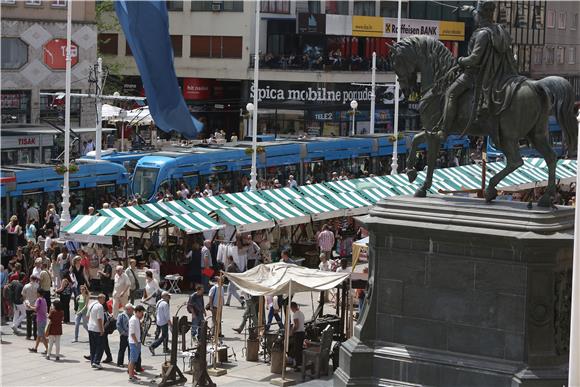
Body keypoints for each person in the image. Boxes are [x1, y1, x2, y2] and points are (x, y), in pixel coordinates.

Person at [439, 1, 519, 140]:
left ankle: (445, 130)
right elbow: (476, 13)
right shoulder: (498, 30)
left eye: (477, 14)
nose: (475, 17)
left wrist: (460, 60)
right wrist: (469, 9)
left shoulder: (482, 34)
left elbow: (475, 58)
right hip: (494, 73)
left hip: (475, 75)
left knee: (450, 93)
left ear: (482, 16)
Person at [87, 294, 106, 369]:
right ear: (100, 298)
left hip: (90, 327)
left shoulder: (91, 304)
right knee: (100, 346)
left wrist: (90, 323)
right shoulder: (100, 306)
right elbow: (99, 319)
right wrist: (101, 330)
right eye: (104, 299)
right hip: (97, 329)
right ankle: (96, 361)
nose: (104, 301)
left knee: (93, 346)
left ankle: (93, 361)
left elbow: (87, 316)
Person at [149, 291, 171, 355]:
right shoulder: (165, 304)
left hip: (159, 320)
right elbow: (167, 316)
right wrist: (170, 323)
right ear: (164, 296)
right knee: (164, 335)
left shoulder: (159, 302)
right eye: (168, 296)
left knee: (165, 335)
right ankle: (153, 346)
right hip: (163, 321)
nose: (169, 297)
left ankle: (165, 348)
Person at [28, 288, 48, 354]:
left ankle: (48, 349)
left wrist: (29, 306)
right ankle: (35, 348)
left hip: (40, 320)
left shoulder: (38, 300)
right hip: (43, 319)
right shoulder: (44, 300)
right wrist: (36, 313)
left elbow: (36, 309)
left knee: (42, 335)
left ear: (38, 293)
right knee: (39, 335)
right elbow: (41, 309)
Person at [128, 305, 145, 381]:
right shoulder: (133, 320)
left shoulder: (137, 319)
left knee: (133, 360)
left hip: (136, 342)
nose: (142, 314)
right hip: (134, 343)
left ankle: (132, 374)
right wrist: (136, 342)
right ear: (137, 312)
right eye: (141, 313)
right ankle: (131, 376)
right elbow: (132, 333)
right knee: (132, 360)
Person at [289, 302, 305, 370]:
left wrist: (291, 332)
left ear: (293, 307)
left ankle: (298, 365)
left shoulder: (295, 314)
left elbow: (296, 325)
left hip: (298, 333)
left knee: (297, 350)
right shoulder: (301, 313)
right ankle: (299, 363)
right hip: (302, 332)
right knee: (299, 349)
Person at [22, 275, 39, 340]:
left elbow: (23, 295)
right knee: (35, 322)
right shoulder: (37, 286)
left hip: (28, 305)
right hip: (35, 305)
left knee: (28, 321)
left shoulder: (26, 286)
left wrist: (26, 301)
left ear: (30, 279)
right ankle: (35, 336)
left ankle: (28, 335)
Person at [117, 303, 133, 367]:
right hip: (124, 335)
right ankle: (120, 363)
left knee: (130, 349)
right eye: (131, 309)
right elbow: (118, 325)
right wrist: (122, 332)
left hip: (131, 335)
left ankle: (130, 363)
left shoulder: (133, 315)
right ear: (127, 309)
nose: (132, 310)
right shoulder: (121, 315)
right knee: (122, 349)